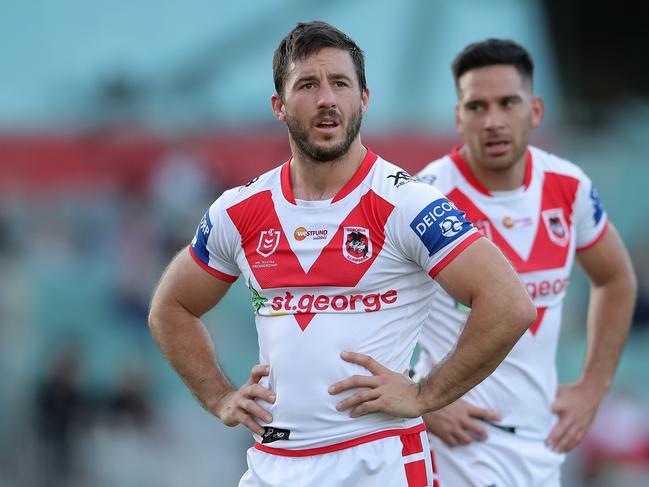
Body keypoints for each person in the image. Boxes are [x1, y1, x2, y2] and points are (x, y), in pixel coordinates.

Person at [148, 22, 536, 487]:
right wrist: (220, 397)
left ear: (363, 100)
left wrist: (424, 395)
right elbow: (170, 308)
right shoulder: (238, 210)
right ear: (279, 106)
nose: (326, 99)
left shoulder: (407, 204)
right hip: (272, 465)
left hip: (378, 466)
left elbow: (509, 304)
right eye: (308, 85)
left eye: (340, 84)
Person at [413, 39, 637, 486]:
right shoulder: (426, 196)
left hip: (539, 446)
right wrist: (421, 397)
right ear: (459, 117)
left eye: (507, 103)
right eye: (477, 106)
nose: (493, 121)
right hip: (452, 449)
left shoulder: (568, 187)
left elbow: (615, 278)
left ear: (534, 111)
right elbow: (366, 303)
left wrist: (593, 387)